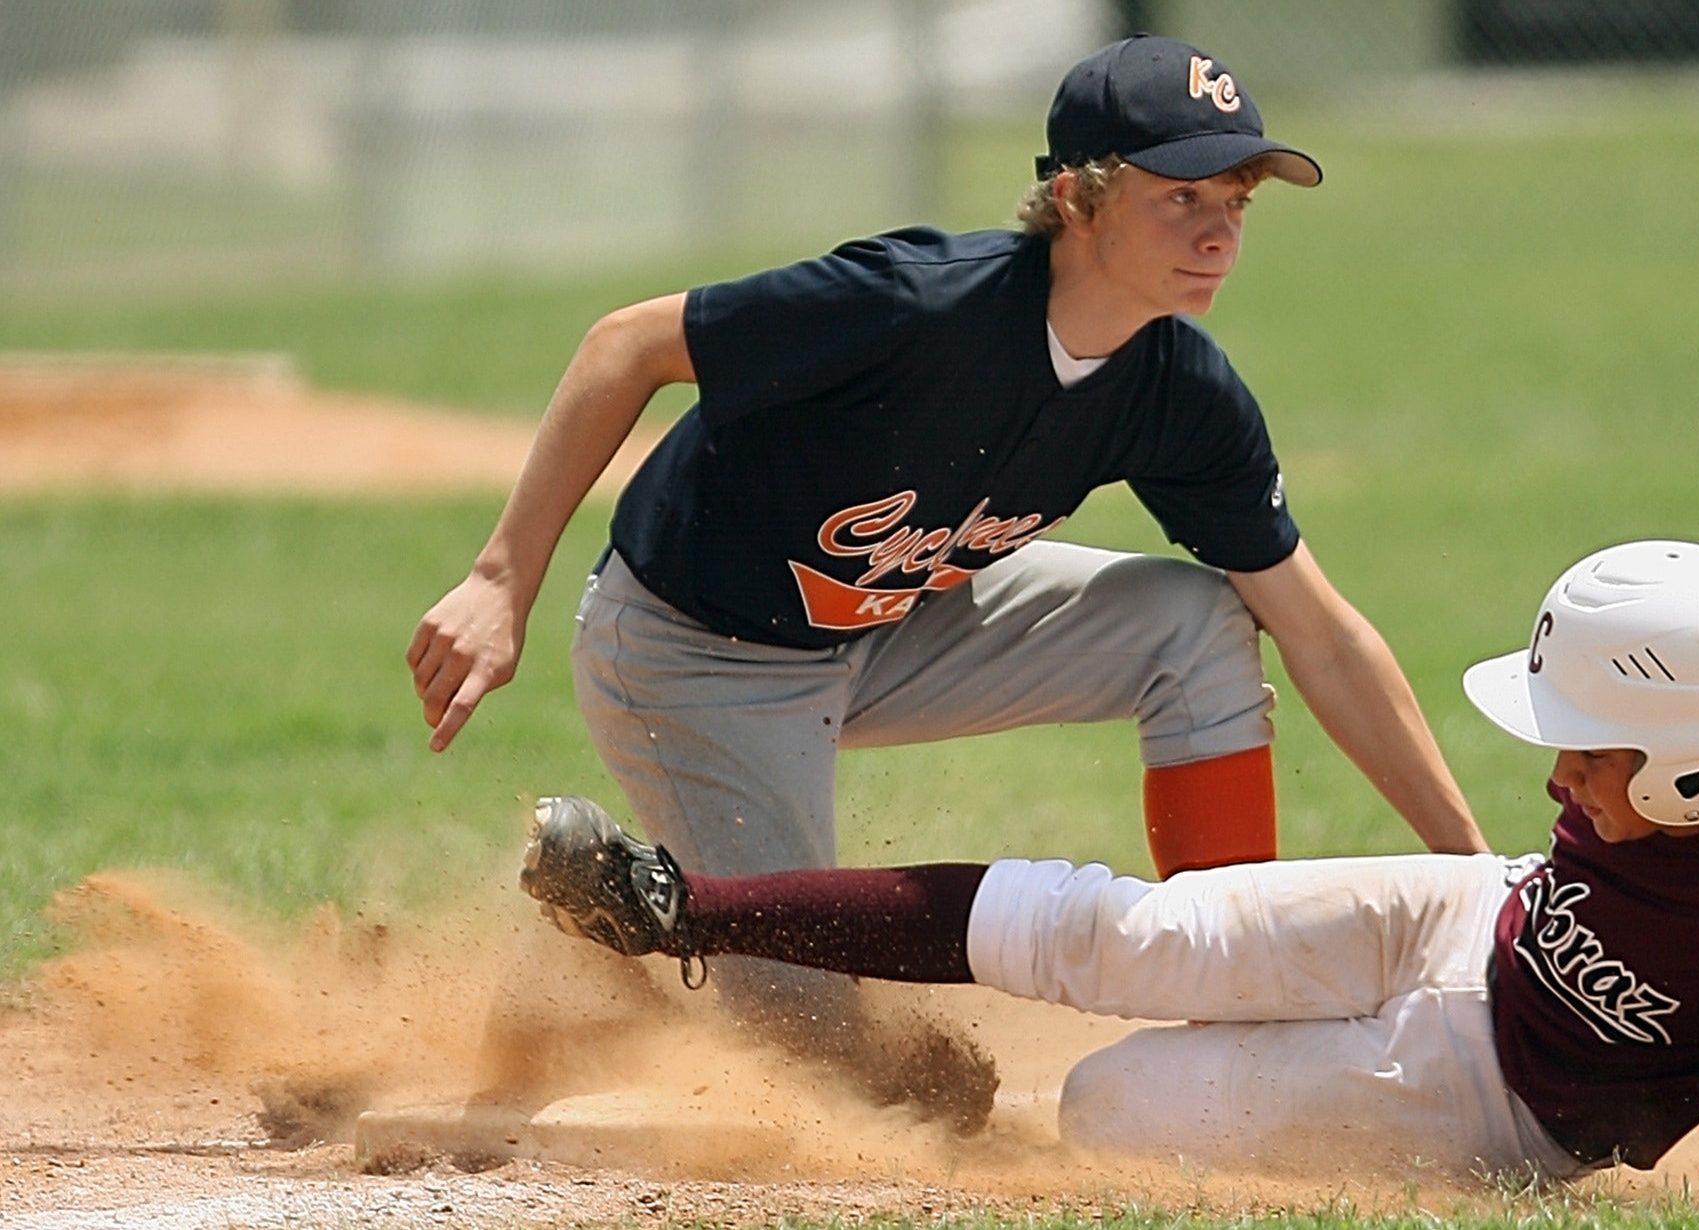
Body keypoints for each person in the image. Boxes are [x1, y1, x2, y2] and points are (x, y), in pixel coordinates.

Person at [407, 35, 1487, 1118]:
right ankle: (603, 936)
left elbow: (1322, 635)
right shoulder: (916, 304)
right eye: (1181, 196)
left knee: (1196, 619)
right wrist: (501, 580)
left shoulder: (1179, 393)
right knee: (826, 1069)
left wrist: (1477, 878)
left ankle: (1234, 996)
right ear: (1077, 198)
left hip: (892, 623)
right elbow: (625, 345)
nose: (1219, 233)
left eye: (1237, 202)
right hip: (696, 656)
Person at [516, 539, 1699, 1197]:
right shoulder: (1662, 787)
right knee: (1114, 930)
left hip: (1501, 1101)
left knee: (1113, 1103)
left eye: (1591, 752)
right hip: (1471, 915)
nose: (1559, 773)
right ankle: (672, 905)